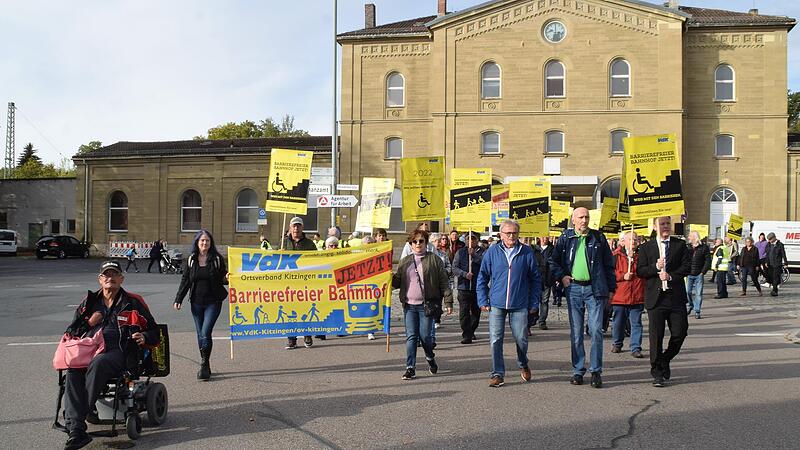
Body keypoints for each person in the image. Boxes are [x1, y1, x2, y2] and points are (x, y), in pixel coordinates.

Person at [62, 261, 159, 450]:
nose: (110, 278)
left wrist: (144, 336)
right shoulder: (89, 303)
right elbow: (71, 331)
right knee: (73, 370)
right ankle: (77, 430)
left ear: (121, 279)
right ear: (100, 279)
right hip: (88, 349)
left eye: (114, 275)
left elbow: (155, 331)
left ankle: (76, 422)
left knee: (99, 363)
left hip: (120, 351)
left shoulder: (133, 302)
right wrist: (90, 323)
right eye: (106, 275)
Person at [549, 207, 615, 389]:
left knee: (596, 331)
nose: (584, 220)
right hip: (574, 289)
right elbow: (553, 261)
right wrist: (562, 276)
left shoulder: (598, 238)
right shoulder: (566, 238)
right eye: (581, 217)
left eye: (587, 217)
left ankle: (596, 371)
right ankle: (578, 370)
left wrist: (611, 288)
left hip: (595, 289)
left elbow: (609, 265)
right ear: (573, 220)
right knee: (576, 332)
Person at [477, 219, 541, 388]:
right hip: (497, 303)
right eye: (508, 233)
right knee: (495, 339)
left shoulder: (526, 252)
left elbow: (535, 279)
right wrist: (482, 299)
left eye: (514, 233)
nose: (511, 236)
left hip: (520, 303)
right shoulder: (492, 252)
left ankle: (522, 362)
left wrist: (534, 302)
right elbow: (482, 276)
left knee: (521, 338)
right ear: (501, 234)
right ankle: (497, 373)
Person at [637, 216, 691, 387]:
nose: (665, 226)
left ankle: (665, 358)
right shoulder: (646, 247)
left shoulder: (679, 245)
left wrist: (671, 276)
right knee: (656, 337)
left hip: (675, 297)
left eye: (668, 223)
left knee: (680, 332)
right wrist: (655, 267)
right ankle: (656, 372)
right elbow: (641, 271)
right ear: (654, 226)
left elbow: (687, 266)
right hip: (656, 299)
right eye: (662, 224)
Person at [392, 229, 453, 380]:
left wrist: (448, 301)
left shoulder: (434, 260)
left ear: (426, 243)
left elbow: (444, 282)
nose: (418, 244)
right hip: (409, 305)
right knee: (411, 336)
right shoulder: (405, 261)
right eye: (415, 241)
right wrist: (388, 277)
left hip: (427, 305)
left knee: (426, 337)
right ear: (411, 244)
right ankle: (410, 368)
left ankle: (430, 357)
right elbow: (397, 282)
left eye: (421, 241)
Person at [174, 230, 228, 380]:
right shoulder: (191, 259)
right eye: (202, 241)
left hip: (213, 302)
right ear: (197, 243)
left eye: (207, 241)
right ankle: (206, 362)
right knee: (200, 334)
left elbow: (223, 278)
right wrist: (178, 299)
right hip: (196, 303)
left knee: (205, 332)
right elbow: (185, 280)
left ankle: (203, 365)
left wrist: (227, 277)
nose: (205, 243)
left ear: (211, 243)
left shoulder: (216, 259)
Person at [282, 217, 321, 348]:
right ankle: (291, 339)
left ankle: (307, 335)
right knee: (290, 312)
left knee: (305, 310)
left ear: (302, 228)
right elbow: (274, 262)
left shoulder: (310, 244)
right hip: (288, 284)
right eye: (294, 226)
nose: (296, 228)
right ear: (290, 227)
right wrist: (278, 254)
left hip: (305, 283)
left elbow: (316, 262)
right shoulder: (283, 243)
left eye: (298, 226)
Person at [610, 231, 645, 358]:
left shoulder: (642, 256)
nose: (633, 242)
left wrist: (633, 260)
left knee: (636, 323)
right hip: (620, 296)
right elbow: (610, 274)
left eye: (635, 239)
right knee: (618, 322)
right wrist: (622, 276)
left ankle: (635, 347)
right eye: (630, 239)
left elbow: (645, 272)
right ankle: (617, 343)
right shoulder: (615, 256)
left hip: (637, 296)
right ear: (623, 242)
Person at [452, 231, 483, 344]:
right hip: (463, 287)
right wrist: (465, 274)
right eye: (468, 239)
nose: (470, 241)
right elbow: (454, 268)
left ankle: (472, 330)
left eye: (473, 239)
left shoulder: (482, 251)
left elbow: (485, 264)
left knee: (476, 312)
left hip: (477, 287)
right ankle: (466, 334)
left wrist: (474, 255)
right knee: (464, 312)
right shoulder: (460, 252)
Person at [686, 231, 711, 319]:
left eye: (690, 236)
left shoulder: (704, 247)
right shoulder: (688, 247)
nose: (688, 238)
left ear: (694, 237)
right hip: (689, 274)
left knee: (698, 293)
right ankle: (690, 305)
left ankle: (697, 311)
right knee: (687, 292)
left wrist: (703, 272)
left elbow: (708, 261)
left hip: (699, 274)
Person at [533, 236, 554, 330]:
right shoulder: (533, 249)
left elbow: (554, 264)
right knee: (534, 300)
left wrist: (555, 278)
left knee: (544, 301)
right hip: (535, 279)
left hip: (547, 279)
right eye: (543, 237)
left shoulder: (552, 249)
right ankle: (533, 319)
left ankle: (542, 321)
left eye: (546, 237)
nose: (545, 239)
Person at [766, 232, 788, 296]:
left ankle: (774, 291)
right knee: (771, 277)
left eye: (770, 239)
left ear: (774, 238)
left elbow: (783, 254)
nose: (769, 241)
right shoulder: (769, 244)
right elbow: (767, 254)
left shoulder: (780, 245)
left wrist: (786, 263)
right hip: (770, 264)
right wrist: (767, 262)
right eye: (768, 239)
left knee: (775, 277)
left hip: (777, 264)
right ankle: (775, 289)